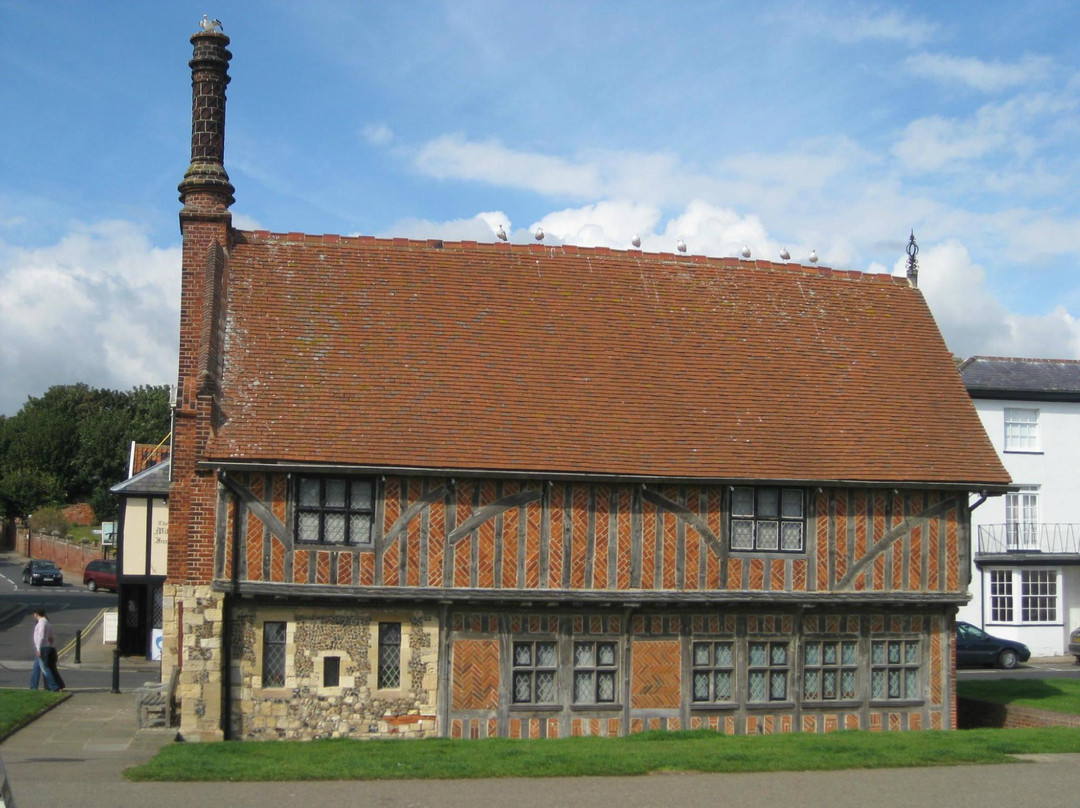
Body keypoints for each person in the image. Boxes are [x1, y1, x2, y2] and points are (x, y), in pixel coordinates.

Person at [29, 608, 60, 692]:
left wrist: (38, 648)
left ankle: (54, 687)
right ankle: (33, 687)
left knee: (45, 668)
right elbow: (51, 637)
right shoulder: (47, 622)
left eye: (34, 614)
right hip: (45, 647)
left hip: (42, 648)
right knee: (36, 668)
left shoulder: (42, 623)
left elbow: (41, 636)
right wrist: (50, 646)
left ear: (36, 614)